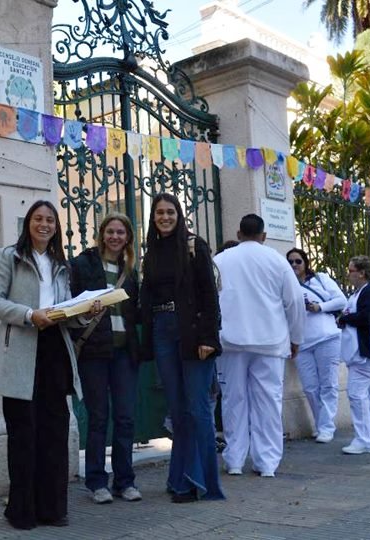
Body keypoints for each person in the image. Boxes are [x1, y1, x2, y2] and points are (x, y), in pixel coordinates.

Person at [0, 200, 101, 530]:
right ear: (28, 223)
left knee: (55, 431)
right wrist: (28, 314)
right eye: (38, 218)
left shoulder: (61, 264)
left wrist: (85, 314)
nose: (44, 224)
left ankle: (53, 509)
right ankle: (22, 511)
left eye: (50, 220)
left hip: (55, 352)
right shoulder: (10, 257)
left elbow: (66, 315)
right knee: (23, 433)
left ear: (56, 227)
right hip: (22, 349)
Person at [140, 192, 224, 503]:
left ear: (179, 215)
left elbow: (209, 296)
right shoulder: (151, 252)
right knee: (177, 410)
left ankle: (201, 483)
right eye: (159, 212)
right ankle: (180, 479)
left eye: (170, 212)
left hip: (192, 332)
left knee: (198, 409)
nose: (164, 217)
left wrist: (208, 338)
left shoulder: (194, 246)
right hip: (163, 331)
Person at [214, 214, 305, 477]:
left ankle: (234, 460)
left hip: (230, 341)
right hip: (269, 341)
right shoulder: (277, 260)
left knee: (234, 400)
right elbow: (294, 302)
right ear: (263, 236)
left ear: (239, 233)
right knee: (268, 401)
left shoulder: (221, 260)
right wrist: (296, 337)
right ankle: (267, 463)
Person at [69, 213, 143, 504]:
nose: (115, 237)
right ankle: (97, 481)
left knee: (125, 418)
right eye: (110, 231)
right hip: (94, 353)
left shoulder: (130, 271)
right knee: (99, 417)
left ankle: (125, 481)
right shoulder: (83, 264)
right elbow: (73, 303)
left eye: (121, 232)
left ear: (128, 238)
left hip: (124, 352)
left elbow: (135, 311)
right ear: (101, 234)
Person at [286, 247, 346, 443]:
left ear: (305, 262)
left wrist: (320, 307)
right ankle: (322, 424)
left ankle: (326, 427)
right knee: (311, 387)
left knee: (328, 383)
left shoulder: (320, 279)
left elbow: (341, 301)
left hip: (327, 337)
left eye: (298, 261)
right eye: (291, 262)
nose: (294, 265)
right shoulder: (287, 285)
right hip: (302, 342)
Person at [336, 256, 370, 454]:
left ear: (362, 273)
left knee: (356, 394)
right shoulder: (362, 291)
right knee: (368, 394)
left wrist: (345, 318)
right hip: (360, 350)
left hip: (364, 351)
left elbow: (367, 317)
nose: (348, 274)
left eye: (351, 271)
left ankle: (363, 439)